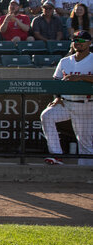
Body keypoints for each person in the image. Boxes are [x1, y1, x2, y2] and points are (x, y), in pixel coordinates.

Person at [41, 34, 93, 166]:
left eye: (82, 40)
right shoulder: (65, 61)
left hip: (85, 105)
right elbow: (56, 81)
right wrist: (57, 97)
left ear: (89, 43)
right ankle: (56, 155)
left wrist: (81, 77)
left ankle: (85, 172)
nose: (77, 43)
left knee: (85, 143)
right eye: (75, 40)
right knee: (47, 116)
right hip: (66, 103)